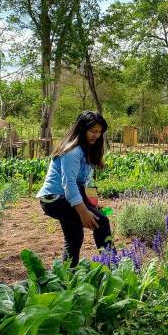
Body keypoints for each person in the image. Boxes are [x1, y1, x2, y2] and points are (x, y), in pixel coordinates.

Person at [37, 110, 113, 266]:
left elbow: (86, 182)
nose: (96, 135)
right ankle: (113, 268)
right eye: (93, 131)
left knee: (74, 238)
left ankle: (67, 279)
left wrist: (92, 204)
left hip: (65, 197)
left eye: (99, 132)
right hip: (54, 199)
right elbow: (69, 184)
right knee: (101, 222)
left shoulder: (87, 151)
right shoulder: (72, 151)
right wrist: (84, 212)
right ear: (82, 129)